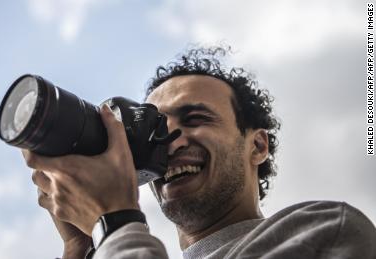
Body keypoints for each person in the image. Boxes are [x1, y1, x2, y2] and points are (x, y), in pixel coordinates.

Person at [22, 47, 376, 259]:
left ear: (257, 145)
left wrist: (114, 223)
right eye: (155, 130)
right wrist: (84, 249)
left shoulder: (327, 230)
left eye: (194, 119)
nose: (171, 142)